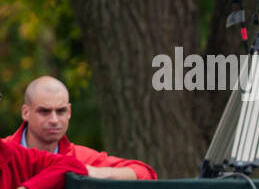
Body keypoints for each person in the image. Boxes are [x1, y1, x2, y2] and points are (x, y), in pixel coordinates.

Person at [6, 76, 157, 180]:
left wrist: (95, 172)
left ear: (69, 112)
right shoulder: (4, 153)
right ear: (26, 112)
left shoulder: (79, 158)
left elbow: (145, 174)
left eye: (61, 111)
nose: (54, 120)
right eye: (44, 111)